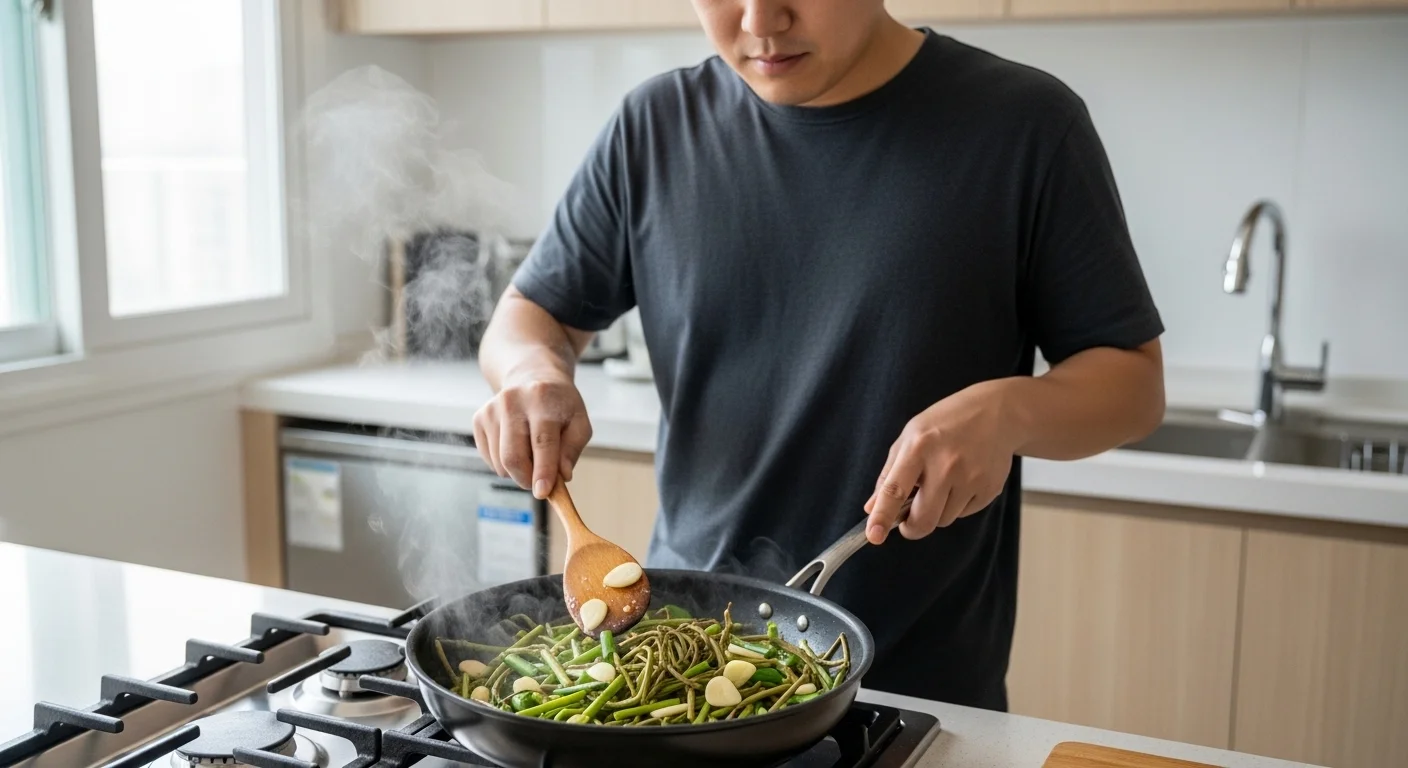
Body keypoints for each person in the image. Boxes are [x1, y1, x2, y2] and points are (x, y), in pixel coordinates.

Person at [473, 0, 1166, 711]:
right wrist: (533, 374)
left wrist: (1011, 411)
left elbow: (1133, 384)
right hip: (675, 677)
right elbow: (529, 316)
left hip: (917, 701)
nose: (760, 21)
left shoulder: (1026, 125)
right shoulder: (655, 127)